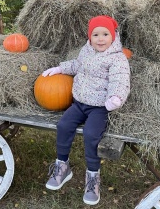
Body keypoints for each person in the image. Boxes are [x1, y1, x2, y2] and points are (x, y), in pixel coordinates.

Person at [42, 15, 130, 206]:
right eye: (96, 34)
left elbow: (120, 79)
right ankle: (62, 165)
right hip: (80, 103)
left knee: (91, 134)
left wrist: (115, 98)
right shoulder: (86, 51)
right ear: (90, 37)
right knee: (64, 125)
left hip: (99, 107)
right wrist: (60, 69)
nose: (100, 39)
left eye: (105, 34)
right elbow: (77, 65)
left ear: (113, 36)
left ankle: (92, 176)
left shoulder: (117, 58)